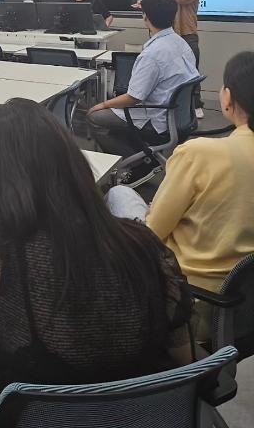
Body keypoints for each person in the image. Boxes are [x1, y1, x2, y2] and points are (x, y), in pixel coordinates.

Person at [0, 100, 193, 423]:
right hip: (143, 417)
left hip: (26, 415)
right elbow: (184, 359)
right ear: (73, 165)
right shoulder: (144, 244)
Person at [108, 51, 254, 295]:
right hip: (242, 307)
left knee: (118, 193)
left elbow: (154, 232)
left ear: (227, 98)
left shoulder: (198, 153)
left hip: (187, 299)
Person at [87, 0, 198, 186]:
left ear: (145, 16)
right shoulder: (181, 43)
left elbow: (133, 98)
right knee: (114, 111)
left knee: (95, 117)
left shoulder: (152, 54)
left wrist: (102, 104)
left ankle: (142, 161)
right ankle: (143, 153)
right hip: (177, 115)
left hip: (156, 117)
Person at [154, 0, 206, 118]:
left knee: (191, 69)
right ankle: (166, 102)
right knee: (165, 69)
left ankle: (195, 104)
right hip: (164, 32)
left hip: (186, 31)